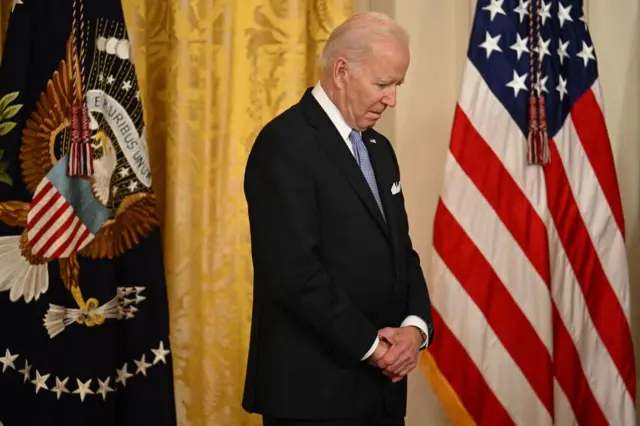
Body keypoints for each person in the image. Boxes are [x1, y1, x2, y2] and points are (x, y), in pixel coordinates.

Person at [242, 11, 434, 426]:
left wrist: (415, 330)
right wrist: (376, 348)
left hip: (380, 394)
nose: (392, 99)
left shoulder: (380, 149)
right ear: (342, 71)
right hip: (313, 397)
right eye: (383, 84)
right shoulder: (284, 143)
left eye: (397, 85)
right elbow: (293, 274)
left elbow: (401, 252)